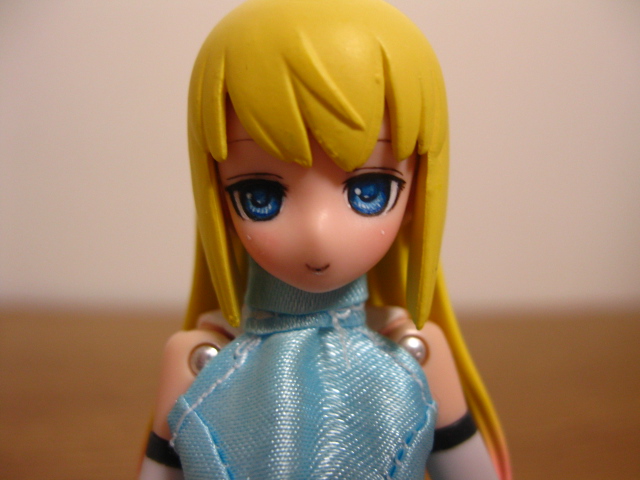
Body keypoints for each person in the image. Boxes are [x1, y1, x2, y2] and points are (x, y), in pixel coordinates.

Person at [139, 0, 511, 478]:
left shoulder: (415, 354)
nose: (317, 234)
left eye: (369, 192)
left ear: (419, 190)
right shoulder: (200, 363)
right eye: (259, 196)